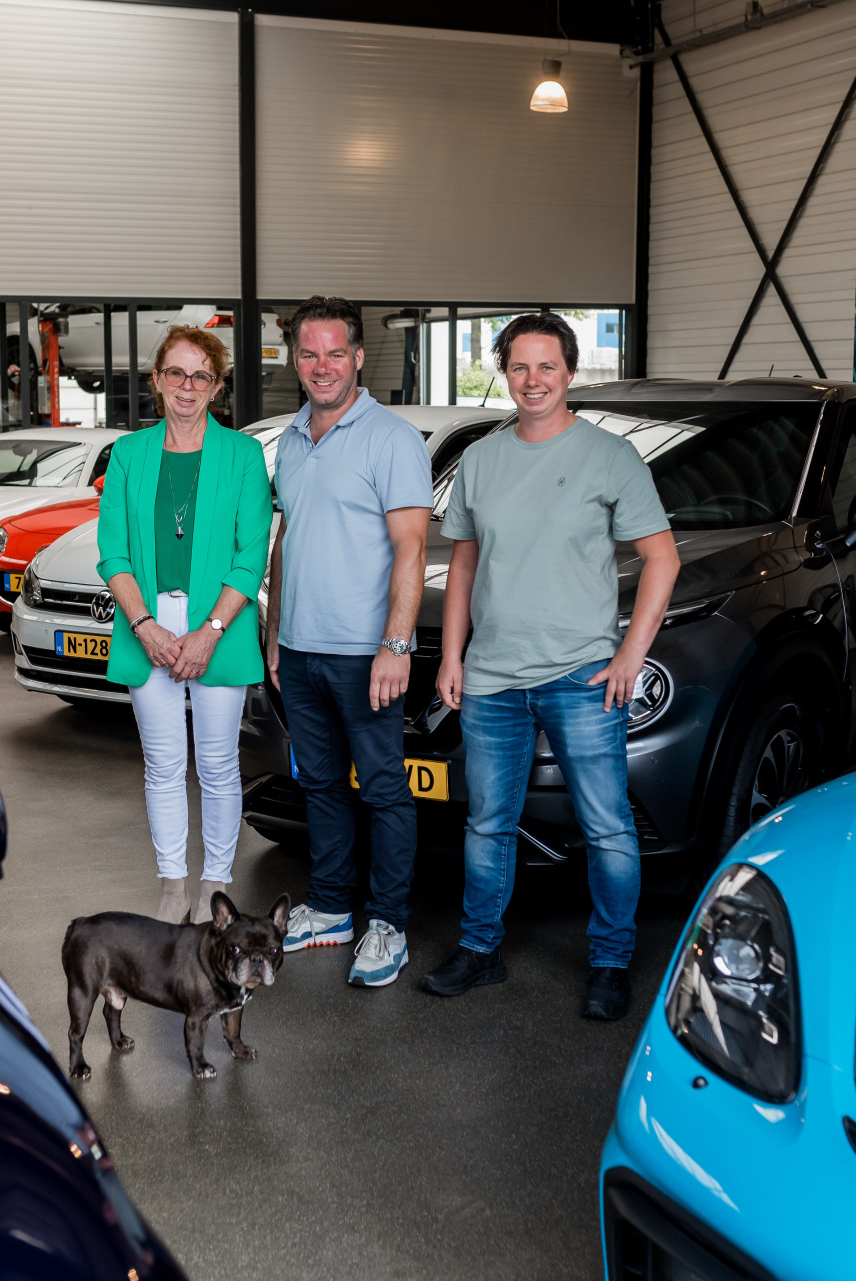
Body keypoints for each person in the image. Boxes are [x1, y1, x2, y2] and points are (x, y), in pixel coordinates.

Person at [419, 312, 682, 1020]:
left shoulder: (610, 456)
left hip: (580, 677)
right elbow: (464, 564)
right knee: (487, 824)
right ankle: (480, 949)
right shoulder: (481, 460)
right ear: (504, 372)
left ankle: (610, 961)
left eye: (546, 366)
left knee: (607, 827)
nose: (532, 380)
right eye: (519, 366)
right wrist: (453, 656)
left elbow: (662, 558)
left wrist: (631, 653)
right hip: (493, 679)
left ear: (569, 371)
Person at [264, 296, 433, 987]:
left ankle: (388, 923)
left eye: (336, 353)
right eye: (309, 353)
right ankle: (331, 907)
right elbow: (287, 538)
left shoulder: (392, 438)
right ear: (295, 361)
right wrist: (275, 632)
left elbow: (412, 547)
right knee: (323, 784)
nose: (322, 365)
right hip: (301, 650)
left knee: (385, 789)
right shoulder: (290, 440)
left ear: (359, 357)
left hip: (366, 652)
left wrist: (396, 644)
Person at [98, 325, 274, 923]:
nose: (188, 385)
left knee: (219, 764)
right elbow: (113, 553)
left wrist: (209, 632)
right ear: (157, 379)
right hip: (147, 623)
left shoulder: (242, 456)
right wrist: (145, 626)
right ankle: (172, 885)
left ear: (217, 387)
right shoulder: (129, 455)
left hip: (219, 624)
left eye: (202, 375)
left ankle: (214, 886)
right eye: (177, 372)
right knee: (164, 764)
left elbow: (250, 556)